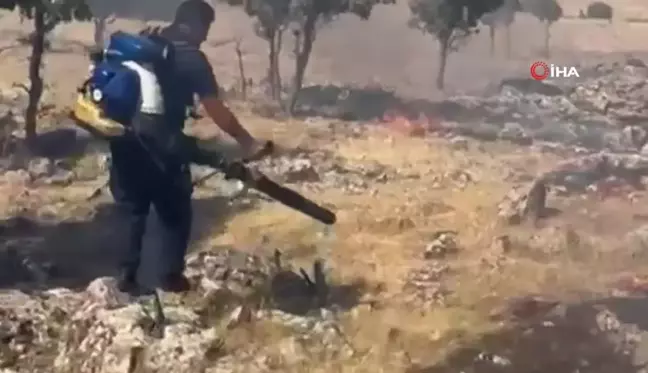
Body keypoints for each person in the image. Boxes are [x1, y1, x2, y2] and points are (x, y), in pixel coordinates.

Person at [108, 0, 267, 293]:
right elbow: (215, 109)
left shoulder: (146, 42)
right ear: (190, 24)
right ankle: (169, 276)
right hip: (163, 143)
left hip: (124, 139)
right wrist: (247, 141)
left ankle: (125, 277)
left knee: (132, 208)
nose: (205, 36)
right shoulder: (191, 57)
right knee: (175, 209)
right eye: (204, 28)